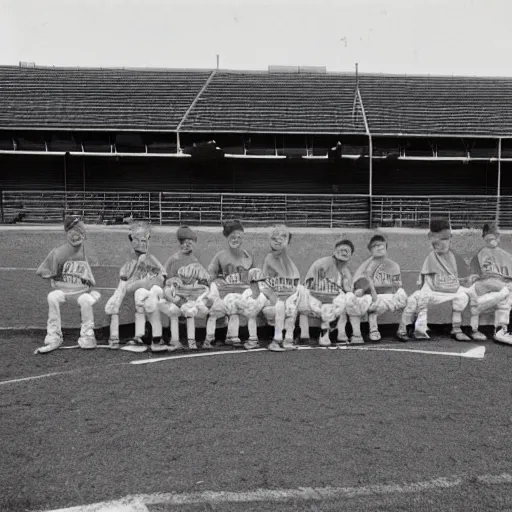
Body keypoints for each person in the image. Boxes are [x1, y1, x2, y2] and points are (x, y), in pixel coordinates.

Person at [397, 218, 472, 342]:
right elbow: (423, 282)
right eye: (439, 240)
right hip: (434, 290)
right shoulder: (431, 257)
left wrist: (465, 282)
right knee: (413, 300)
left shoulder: (454, 257)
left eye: (446, 239)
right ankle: (404, 330)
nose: (443, 244)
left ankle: (457, 329)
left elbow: (463, 279)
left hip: (450, 289)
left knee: (463, 296)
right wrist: (421, 299)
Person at [35, 216, 101, 354]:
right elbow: (42, 270)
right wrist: (53, 276)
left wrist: (87, 281)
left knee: (85, 300)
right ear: (69, 233)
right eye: (75, 230)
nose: (78, 233)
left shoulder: (83, 253)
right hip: (64, 291)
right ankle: (54, 335)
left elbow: (91, 280)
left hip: (81, 293)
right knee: (53, 296)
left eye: (80, 230)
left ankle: (87, 335)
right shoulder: (59, 253)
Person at [105, 220, 167, 352]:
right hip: (141, 294)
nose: (143, 243)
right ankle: (139, 336)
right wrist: (117, 298)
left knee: (150, 298)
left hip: (153, 293)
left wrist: (147, 282)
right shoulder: (131, 264)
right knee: (139, 299)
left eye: (145, 240)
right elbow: (124, 283)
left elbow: (162, 277)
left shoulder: (150, 260)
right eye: (139, 240)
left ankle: (156, 337)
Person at [207, 220, 266, 349]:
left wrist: (254, 291)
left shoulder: (248, 257)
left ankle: (243, 337)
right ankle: (220, 337)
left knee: (245, 311)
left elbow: (255, 277)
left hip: (243, 296)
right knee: (218, 310)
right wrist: (215, 280)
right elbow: (210, 275)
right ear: (227, 238)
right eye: (232, 237)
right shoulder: (220, 256)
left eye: (239, 237)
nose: (236, 240)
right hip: (225, 296)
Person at [299, 239, 362, 346]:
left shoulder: (344, 270)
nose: (344, 252)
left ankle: (341, 334)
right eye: (342, 250)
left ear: (350, 255)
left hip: (331, 304)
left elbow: (348, 290)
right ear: (334, 251)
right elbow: (311, 286)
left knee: (349, 298)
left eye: (347, 251)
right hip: (314, 301)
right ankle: (305, 335)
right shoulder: (324, 264)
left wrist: (352, 288)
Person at [161, 226, 212, 350]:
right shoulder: (174, 259)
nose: (186, 246)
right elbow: (165, 279)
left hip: (190, 296)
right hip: (177, 295)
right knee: (174, 309)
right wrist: (172, 283)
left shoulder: (195, 260)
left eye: (190, 243)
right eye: (184, 243)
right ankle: (172, 338)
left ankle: (191, 339)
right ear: (180, 244)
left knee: (193, 308)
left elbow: (204, 279)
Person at [350, 234, 408, 341]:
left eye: (381, 245)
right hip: (373, 297)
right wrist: (372, 288)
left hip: (390, 296)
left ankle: (402, 330)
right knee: (370, 301)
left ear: (386, 247)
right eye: (375, 246)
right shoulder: (366, 266)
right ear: (370, 249)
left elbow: (396, 286)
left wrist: (377, 286)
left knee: (403, 295)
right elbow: (361, 286)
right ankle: (373, 330)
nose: (379, 248)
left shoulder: (393, 265)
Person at [260, 225, 305, 352]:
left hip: (287, 300)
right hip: (273, 302)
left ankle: (288, 338)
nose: (278, 240)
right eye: (275, 237)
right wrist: (274, 297)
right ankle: (277, 339)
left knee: (291, 306)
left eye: (283, 237)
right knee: (280, 305)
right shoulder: (269, 259)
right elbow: (263, 283)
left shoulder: (289, 262)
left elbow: (295, 284)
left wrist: (290, 295)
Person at [466, 223, 512, 344]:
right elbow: (474, 282)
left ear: (499, 237)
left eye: (494, 237)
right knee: (506, 294)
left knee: (506, 295)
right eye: (489, 238)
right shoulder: (479, 255)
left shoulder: (507, 257)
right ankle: (501, 331)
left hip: (499, 295)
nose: (492, 240)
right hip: (483, 297)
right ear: (484, 239)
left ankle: (501, 330)